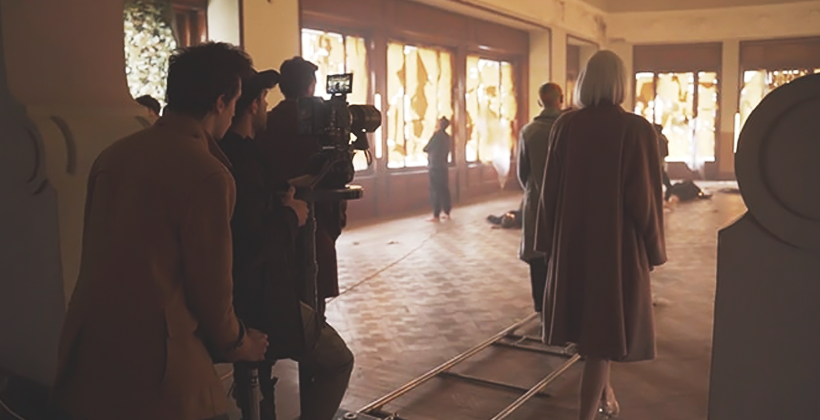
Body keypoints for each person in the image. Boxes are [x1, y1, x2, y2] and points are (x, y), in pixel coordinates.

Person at [50, 42, 269, 420]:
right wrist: (240, 342)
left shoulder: (114, 154)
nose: (235, 112)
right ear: (220, 102)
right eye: (234, 101)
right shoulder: (207, 173)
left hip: (88, 357)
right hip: (158, 368)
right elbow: (212, 291)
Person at [535, 50, 667, 420]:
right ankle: (587, 414)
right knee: (602, 337)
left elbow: (549, 193)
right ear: (620, 83)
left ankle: (605, 396)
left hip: (572, 244)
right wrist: (654, 249)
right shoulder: (636, 129)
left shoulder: (565, 126)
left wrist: (546, 244)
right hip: (616, 247)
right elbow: (645, 198)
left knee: (592, 333)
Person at [220, 68, 354, 420]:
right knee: (333, 356)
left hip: (247, 290)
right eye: (262, 99)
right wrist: (291, 214)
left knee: (258, 378)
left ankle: (258, 402)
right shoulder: (242, 159)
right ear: (250, 104)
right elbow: (252, 239)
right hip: (268, 288)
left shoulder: (227, 149)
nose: (266, 105)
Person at [256, 56, 347, 309]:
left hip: (275, 226)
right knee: (315, 307)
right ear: (311, 86)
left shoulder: (267, 121)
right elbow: (336, 173)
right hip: (317, 226)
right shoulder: (324, 123)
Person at [517, 82, 563, 314]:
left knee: (538, 256)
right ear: (561, 99)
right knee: (562, 255)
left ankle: (542, 308)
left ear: (539, 102)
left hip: (537, 200)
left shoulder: (529, 131)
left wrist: (533, 189)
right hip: (565, 202)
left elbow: (522, 172)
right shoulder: (568, 129)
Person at [423, 117, 453, 221]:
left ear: (440, 125)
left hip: (435, 166)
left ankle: (436, 215)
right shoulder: (448, 137)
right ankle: (447, 212)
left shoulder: (436, 136)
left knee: (435, 190)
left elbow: (426, 148)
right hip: (443, 166)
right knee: (444, 189)